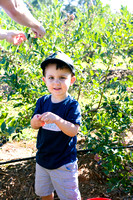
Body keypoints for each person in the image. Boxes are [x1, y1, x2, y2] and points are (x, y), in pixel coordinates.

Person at [30, 51, 81, 200]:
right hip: (43, 160)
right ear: (44, 80)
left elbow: (73, 131)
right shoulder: (43, 101)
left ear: (71, 80)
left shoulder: (72, 105)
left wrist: (57, 120)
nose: (56, 82)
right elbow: (34, 125)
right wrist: (37, 120)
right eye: (51, 78)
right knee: (44, 193)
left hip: (64, 163)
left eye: (62, 78)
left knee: (69, 197)